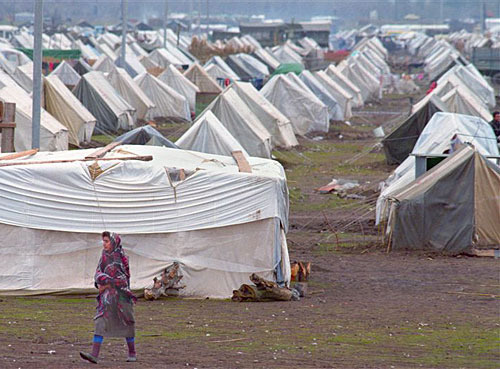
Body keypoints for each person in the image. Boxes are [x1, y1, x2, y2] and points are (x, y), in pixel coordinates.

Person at [80, 232, 137, 364]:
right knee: (100, 321)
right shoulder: (104, 257)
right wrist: (103, 282)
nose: (104, 244)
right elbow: (98, 273)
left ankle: (132, 352)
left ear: (114, 242)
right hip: (107, 298)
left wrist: (105, 284)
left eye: (106, 241)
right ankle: (94, 355)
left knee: (127, 323)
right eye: (103, 241)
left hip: (122, 296)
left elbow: (123, 279)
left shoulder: (122, 258)